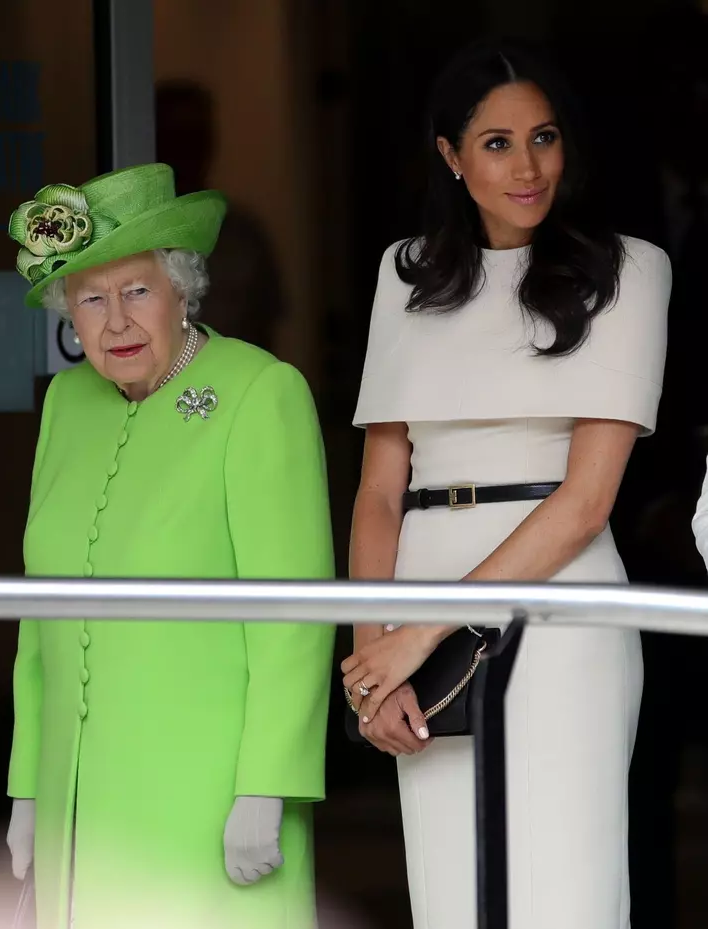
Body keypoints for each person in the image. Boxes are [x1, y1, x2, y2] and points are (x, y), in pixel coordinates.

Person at [341, 39, 670, 929]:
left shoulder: (629, 270)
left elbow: (586, 500)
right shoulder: (403, 273)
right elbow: (379, 491)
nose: (527, 166)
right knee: (451, 896)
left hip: (561, 607)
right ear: (450, 155)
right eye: (495, 143)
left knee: (565, 891)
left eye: (544, 137)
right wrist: (375, 658)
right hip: (419, 620)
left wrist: (419, 632)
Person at [4, 163, 335, 929]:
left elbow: (294, 609)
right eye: (90, 298)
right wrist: (28, 781)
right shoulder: (66, 403)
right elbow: (37, 609)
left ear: (183, 290)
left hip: (209, 785)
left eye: (137, 291)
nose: (115, 321)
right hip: (78, 793)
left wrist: (268, 782)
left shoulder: (260, 391)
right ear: (69, 315)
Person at [155, 81, 284, 352]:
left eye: (196, 137)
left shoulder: (244, 235)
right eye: (175, 137)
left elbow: (268, 329)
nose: (187, 152)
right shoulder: (136, 238)